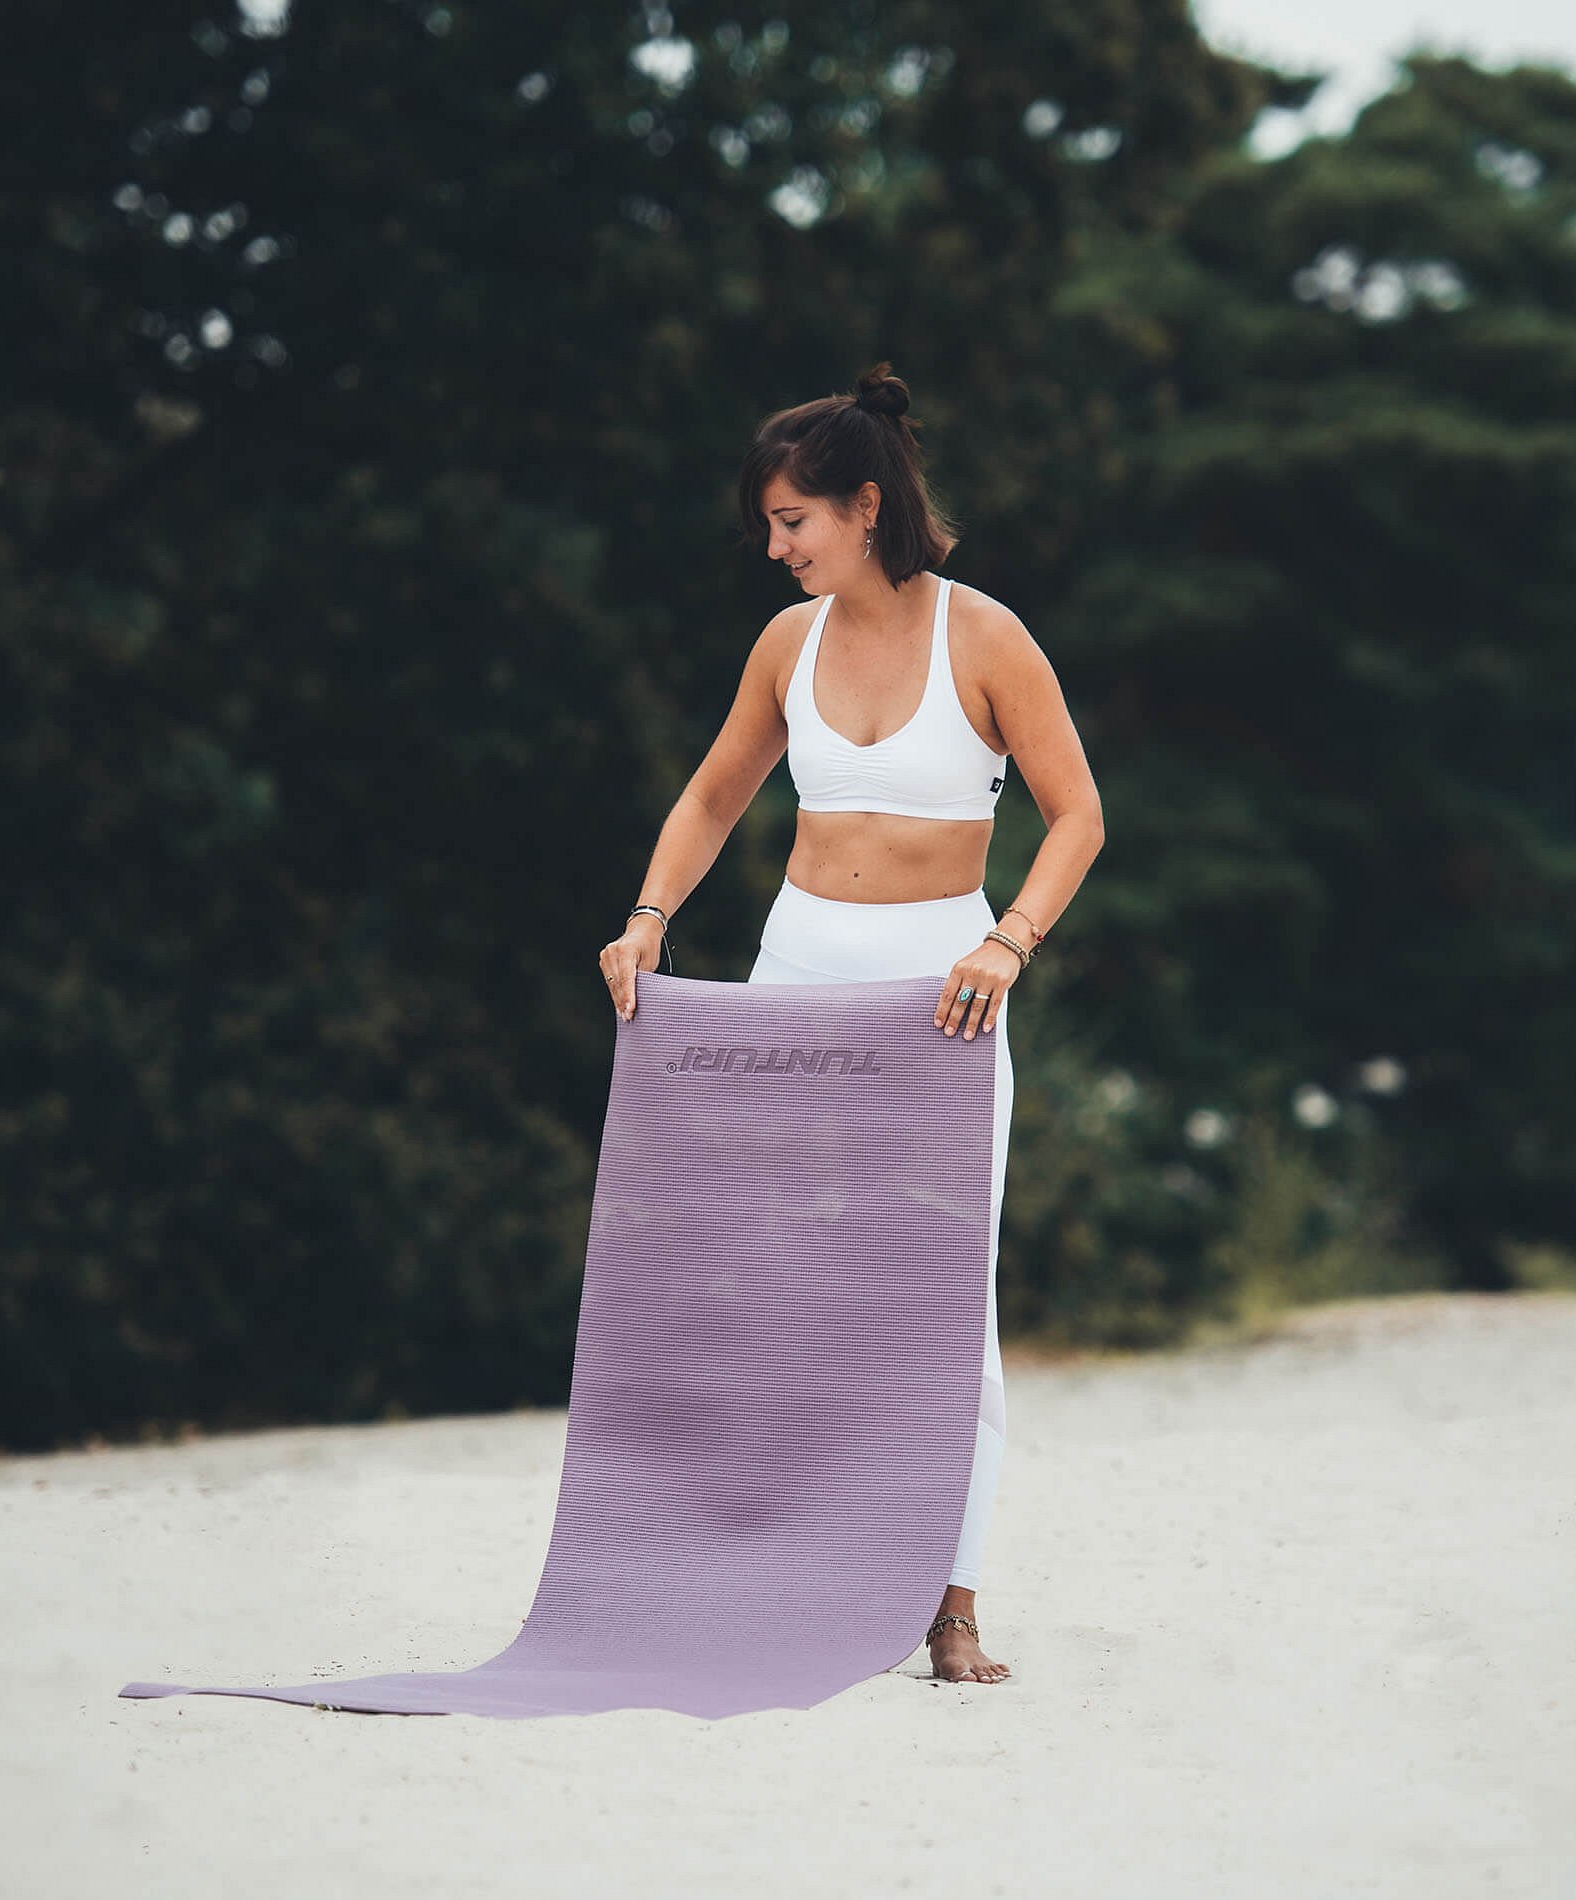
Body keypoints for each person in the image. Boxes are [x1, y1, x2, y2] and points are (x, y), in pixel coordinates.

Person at [596, 361, 1104, 1686]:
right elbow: (713, 797)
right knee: (783, 1283)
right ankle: (792, 1578)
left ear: (866, 506)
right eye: (770, 527)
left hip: (945, 991)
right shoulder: (788, 645)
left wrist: (1008, 941)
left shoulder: (986, 639)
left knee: (946, 1299)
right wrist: (648, 918)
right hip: (802, 972)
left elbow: (1079, 818)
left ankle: (952, 1603)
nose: (775, 549)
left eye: (793, 522)